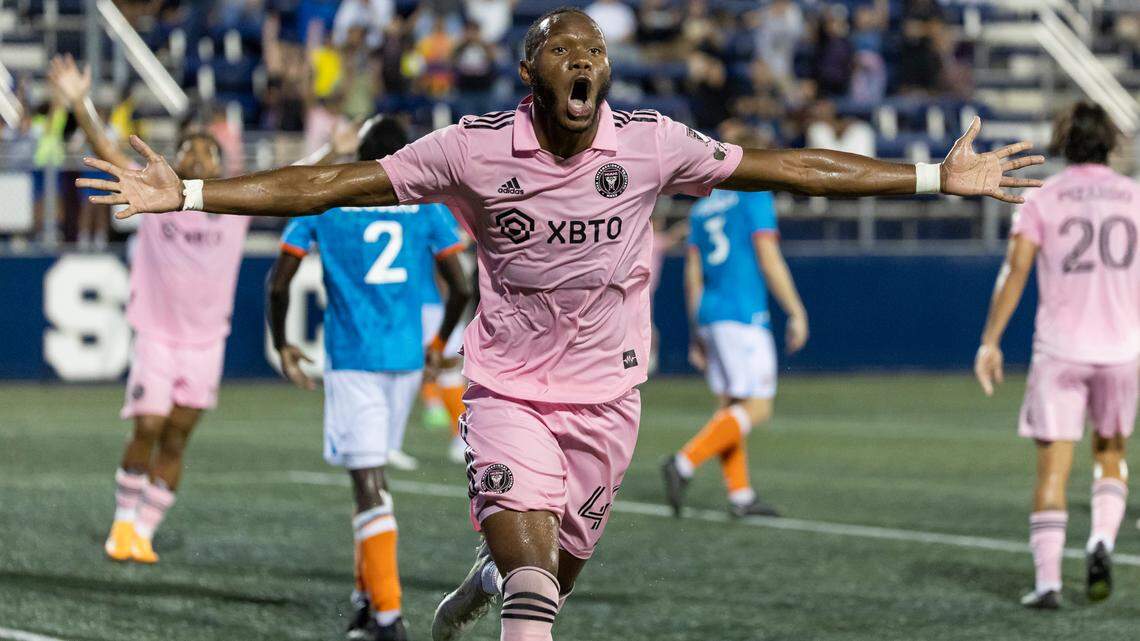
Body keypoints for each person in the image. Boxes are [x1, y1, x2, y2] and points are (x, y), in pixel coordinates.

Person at [79, 9, 1042, 639]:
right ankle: (503, 578)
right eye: (563, 50)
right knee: (537, 595)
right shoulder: (473, 148)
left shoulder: (655, 142)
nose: (584, 58)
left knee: (554, 574)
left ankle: (476, 584)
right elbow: (338, 181)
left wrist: (934, 175)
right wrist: (192, 191)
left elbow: (790, 166)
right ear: (531, 72)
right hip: (504, 391)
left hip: (609, 400)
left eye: (595, 51)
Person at [268, 116, 471, 641]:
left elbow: (279, 280)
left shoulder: (328, 200)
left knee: (369, 486)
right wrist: (438, 343)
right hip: (405, 360)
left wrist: (282, 342)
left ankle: (388, 618)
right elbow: (461, 284)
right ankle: (366, 603)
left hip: (354, 359)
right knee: (371, 484)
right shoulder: (425, 204)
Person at [47, 54, 249, 564]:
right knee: (149, 426)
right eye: (190, 149)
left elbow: (302, 180)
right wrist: (79, 102)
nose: (201, 157)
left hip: (207, 343)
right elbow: (108, 153)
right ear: (176, 159)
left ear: (222, 166)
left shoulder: (237, 208)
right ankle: (121, 525)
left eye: (209, 150)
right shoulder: (157, 200)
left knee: (178, 438)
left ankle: (145, 530)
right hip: (157, 336)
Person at [974, 102, 1139, 610]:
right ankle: (1101, 542)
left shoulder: (1042, 197)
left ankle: (1047, 583)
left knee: (1052, 472)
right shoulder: (1134, 197)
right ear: (1110, 144)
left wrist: (990, 341)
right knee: (1110, 456)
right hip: (1122, 350)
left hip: (1061, 349)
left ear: (1063, 144)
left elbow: (1015, 272)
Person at [662, 158, 808, 518]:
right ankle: (683, 462)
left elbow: (692, 276)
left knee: (730, 407)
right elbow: (768, 257)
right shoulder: (754, 195)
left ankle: (740, 496)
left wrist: (697, 331)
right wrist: (795, 310)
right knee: (757, 407)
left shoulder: (700, 208)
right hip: (744, 313)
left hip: (711, 313)